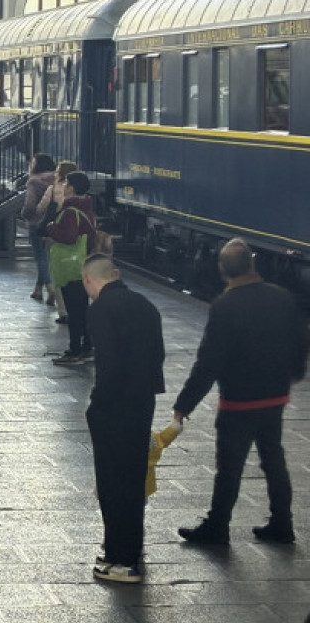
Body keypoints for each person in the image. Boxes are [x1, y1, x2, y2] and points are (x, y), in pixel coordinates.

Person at [173, 239, 308, 545]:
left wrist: (184, 405)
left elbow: (209, 362)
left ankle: (217, 527)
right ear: (252, 263)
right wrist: (295, 373)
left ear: (223, 269)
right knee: (273, 460)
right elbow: (300, 340)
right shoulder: (281, 297)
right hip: (275, 398)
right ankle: (282, 524)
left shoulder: (225, 306)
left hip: (239, 402)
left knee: (229, 467)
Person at [83, 254, 165, 583]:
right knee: (133, 480)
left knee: (111, 483)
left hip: (114, 407)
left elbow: (108, 364)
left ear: (89, 280)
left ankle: (121, 558)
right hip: (142, 404)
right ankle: (129, 550)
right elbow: (158, 356)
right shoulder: (146, 305)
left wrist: (97, 404)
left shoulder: (100, 309)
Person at [46, 171, 98, 365]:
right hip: (83, 264)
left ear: (72, 187)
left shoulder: (70, 211)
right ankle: (87, 347)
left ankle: (74, 351)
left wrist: (51, 227)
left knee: (75, 311)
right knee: (82, 309)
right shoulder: (87, 207)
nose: (63, 186)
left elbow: (69, 237)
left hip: (71, 266)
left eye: (66, 183)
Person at [37, 159, 78, 321]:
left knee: (57, 271)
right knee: (74, 271)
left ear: (60, 174)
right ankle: (75, 306)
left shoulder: (53, 189)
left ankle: (63, 311)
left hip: (55, 234)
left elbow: (41, 208)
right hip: (75, 236)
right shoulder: (79, 192)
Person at [22, 153, 57, 303]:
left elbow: (30, 205)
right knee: (46, 256)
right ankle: (38, 289)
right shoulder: (57, 178)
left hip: (37, 222)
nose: (31, 165)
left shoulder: (34, 181)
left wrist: (26, 215)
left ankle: (50, 288)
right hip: (53, 222)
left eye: (33, 162)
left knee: (41, 257)